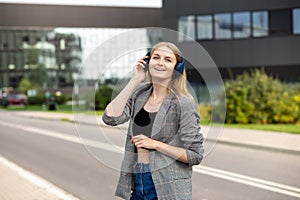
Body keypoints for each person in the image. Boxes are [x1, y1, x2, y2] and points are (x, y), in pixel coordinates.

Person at [102, 42, 204, 200]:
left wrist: (156, 144)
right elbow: (110, 118)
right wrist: (135, 80)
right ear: (148, 62)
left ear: (176, 68)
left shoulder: (183, 103)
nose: (161, 62)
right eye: (156, 57)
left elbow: (195, 155)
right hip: (137, 180)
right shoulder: (139, 94)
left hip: (167, 186)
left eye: (168, 60)